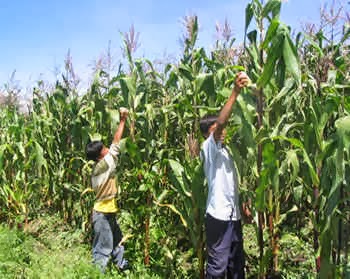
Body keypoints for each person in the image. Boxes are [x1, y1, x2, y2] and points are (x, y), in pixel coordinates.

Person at [199, 72, 250, 279]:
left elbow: (234, 181)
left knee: (235, 265)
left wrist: (243, 206)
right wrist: (235, 92)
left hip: (233, 215)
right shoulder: (208, 147)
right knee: (218, 266)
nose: (222, 131)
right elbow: (220, 123)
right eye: (216, 130)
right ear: (207, 134)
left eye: (221, 129)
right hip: (218, 215)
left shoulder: (227, 150)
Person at [86, 107, 129, 273]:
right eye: (104, 149)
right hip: (102, 213)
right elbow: (116, 143)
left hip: (108, 211)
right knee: (103, 248)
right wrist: (123, 119)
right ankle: (98, 274)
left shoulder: (100, 165)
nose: (107, 149)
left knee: (117, 241)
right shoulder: (102, 166)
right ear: (99, 155)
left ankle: (122, 267)